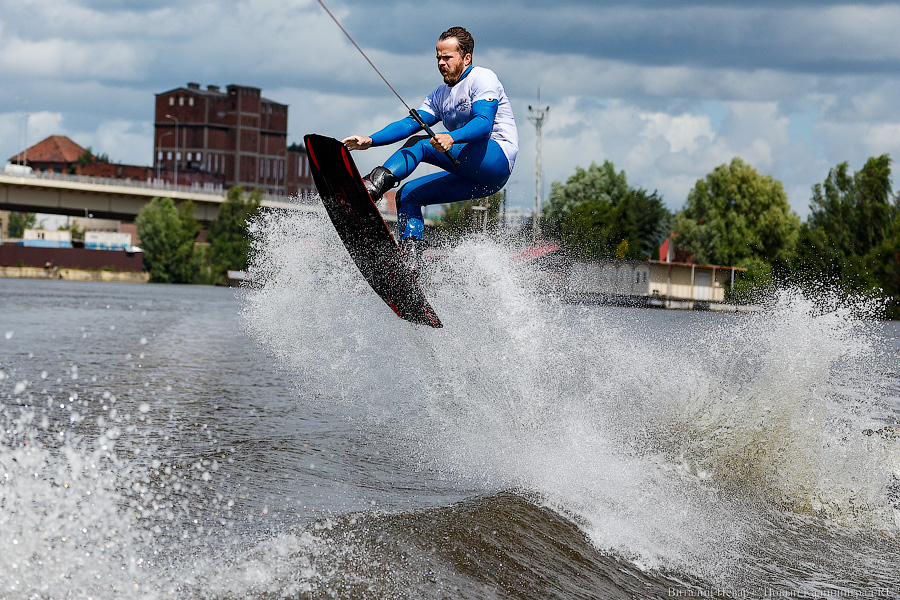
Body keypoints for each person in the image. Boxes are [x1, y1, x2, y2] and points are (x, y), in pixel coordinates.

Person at [343, 26, 518, 272]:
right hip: (474, 177)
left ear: (466, 57)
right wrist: (370, 140)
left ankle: (372, 187)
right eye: (438, 57)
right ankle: (412, 260)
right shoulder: (439, 95)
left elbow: (483, 123)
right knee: (409, 194)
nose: (441, 63)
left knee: (420, 145)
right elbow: (409, 124)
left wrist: (451, 137)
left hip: (495, 159)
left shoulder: (482, 78)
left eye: (447, 57)